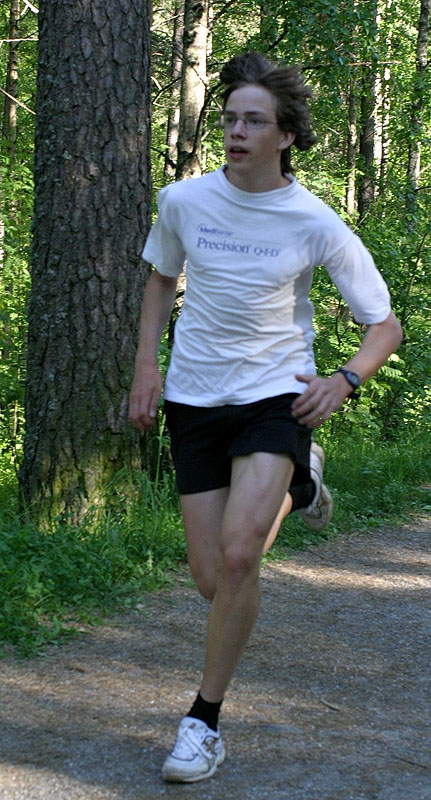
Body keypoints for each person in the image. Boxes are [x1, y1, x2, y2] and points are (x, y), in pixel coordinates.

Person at [129, 52, 403, 783]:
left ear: (285, 135)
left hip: (275, 396)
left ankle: (203, 722)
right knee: (212, 580)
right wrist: (147, 367)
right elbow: (160, 280)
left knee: (240, 557)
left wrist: (344, 379)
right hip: (194, 397)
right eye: (229, 119)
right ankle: (301, 484)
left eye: (253, 121)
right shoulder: (182, 202)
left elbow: (384, 326)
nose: (236, 132)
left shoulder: (313, 220)